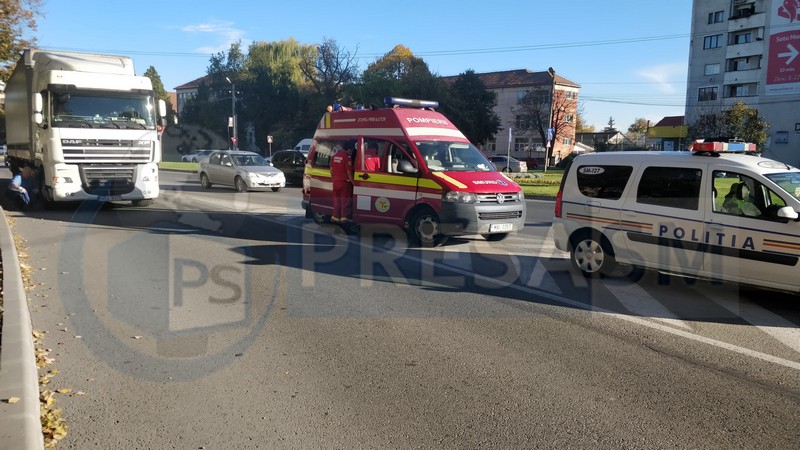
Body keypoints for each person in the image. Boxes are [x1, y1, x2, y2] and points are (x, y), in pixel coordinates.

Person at [330, 140, 355, 223]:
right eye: (351, 150)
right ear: (349, 149)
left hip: (336, 182)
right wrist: (354, 184)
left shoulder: (334, 157)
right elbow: (349, 173)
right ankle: (344, 218)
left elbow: (331, 170)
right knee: (345, 201)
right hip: (345, 184)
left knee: (337, 201)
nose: (351, 152)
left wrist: (334, 179)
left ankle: (335, 217)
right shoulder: (347, 159)